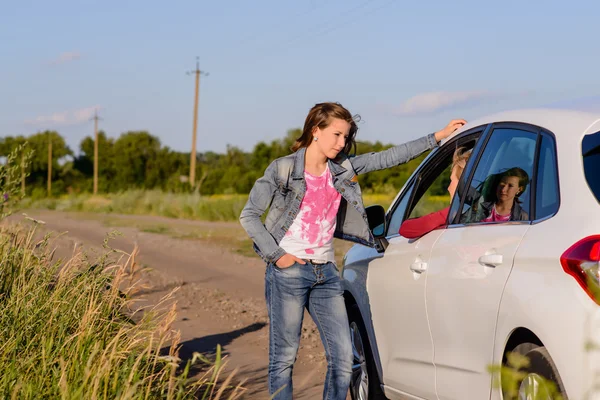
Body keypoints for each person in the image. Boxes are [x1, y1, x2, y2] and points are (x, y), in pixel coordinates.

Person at [239, 101, 465, 400]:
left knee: (345, 358)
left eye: (346, 137)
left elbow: (388, 158)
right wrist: (278, 256)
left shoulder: (343, 167)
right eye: (336, 135)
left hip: (326, 273)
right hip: (289, 271)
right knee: (284, 358)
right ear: (315, 131)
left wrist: (437, 136)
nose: (342, 143)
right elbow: (249, 215)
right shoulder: (282, 168)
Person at [399, 146, 472, 239]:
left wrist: (451, 212)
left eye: (452, 181)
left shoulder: (455, 214)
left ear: (463, 186)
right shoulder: (488, 211)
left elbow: (405, 229)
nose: (449, 188)